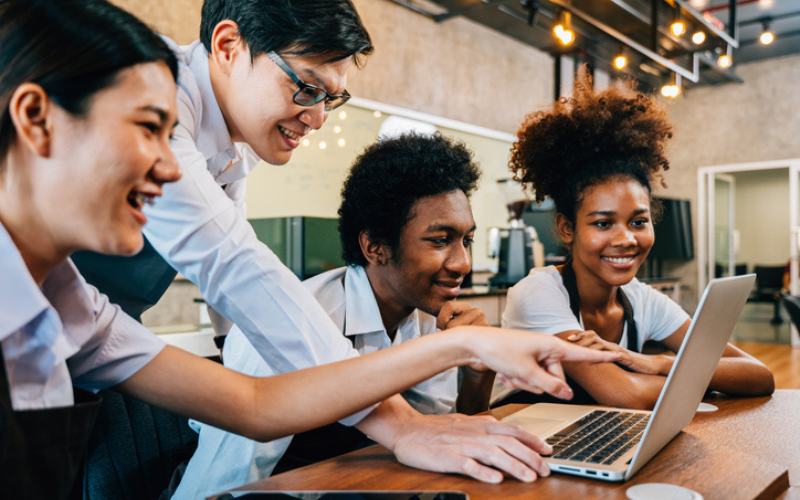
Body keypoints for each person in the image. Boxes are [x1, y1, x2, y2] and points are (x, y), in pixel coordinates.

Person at [0, 1, 622, 498]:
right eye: (147, 130)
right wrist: (404, 420)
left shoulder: (75, 312)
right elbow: (231, 265)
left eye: (172, 136)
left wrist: (464, 345)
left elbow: (254, 398)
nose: (170, 174)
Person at [178, 134, 500, 491]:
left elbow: (436, 445)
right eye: (440, 240)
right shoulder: (288, 327)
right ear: (375, 247)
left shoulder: (427, 318)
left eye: (466, 240)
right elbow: (220, 481)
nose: (463, 263)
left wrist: (476, 376)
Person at [499, 78, 775, 410]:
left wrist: (660, 363)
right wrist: (693, 375)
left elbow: (759, 375)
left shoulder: (641, 300)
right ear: (567, 228)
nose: (626, 239)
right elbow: (627, 394)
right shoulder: (539, 294)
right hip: (522, 450)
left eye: (638, 221)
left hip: (597, 448)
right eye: (603, 223)